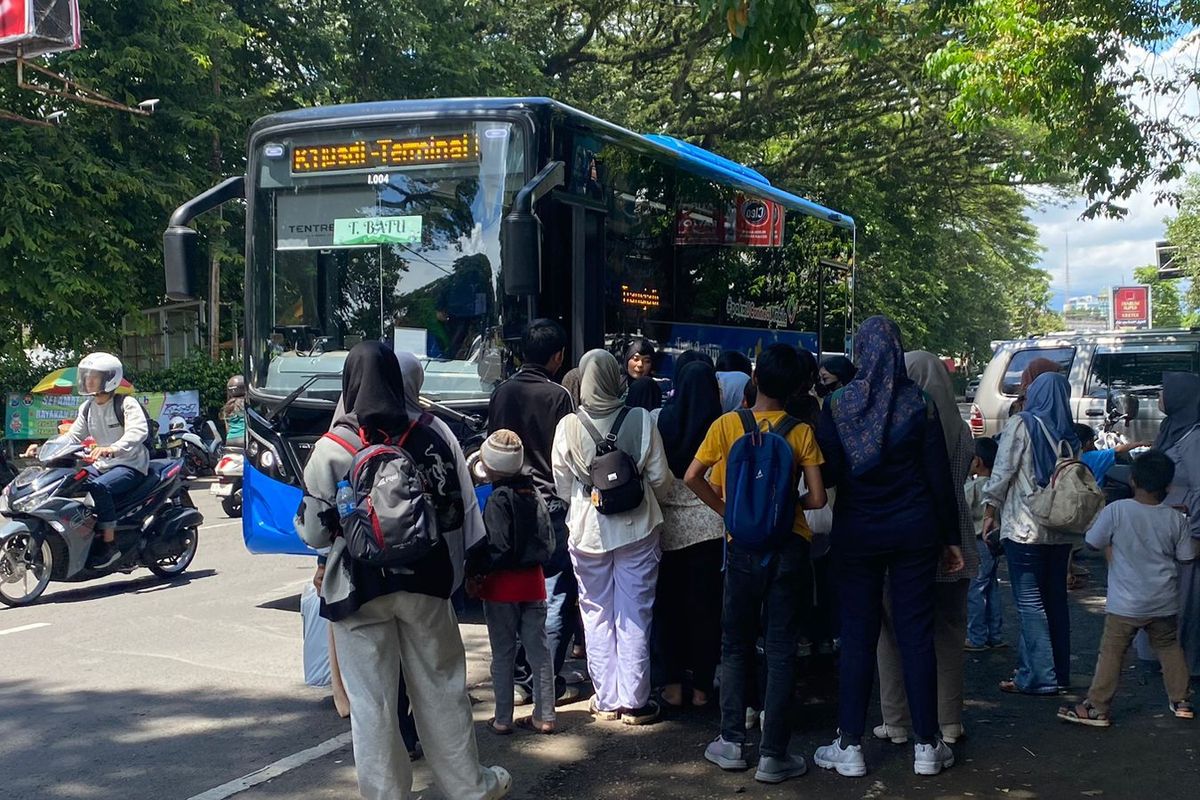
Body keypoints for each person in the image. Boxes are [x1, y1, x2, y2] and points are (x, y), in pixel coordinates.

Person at [295, 341, 509, 800]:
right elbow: (454, 514)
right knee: (441, 687)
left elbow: (313, 532)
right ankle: (468, 787)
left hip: (358, 589)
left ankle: (386, 793)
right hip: (426, 584)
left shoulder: (332, 448)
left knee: (371, 703)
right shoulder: (432, 434)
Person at [811, 317, 963, 779]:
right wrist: (951, 538)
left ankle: (850, 744)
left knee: (857, 634)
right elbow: (939, 477)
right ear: (896, 351)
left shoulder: (837, 404)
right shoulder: (919, 403)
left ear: (860, 354)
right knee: (916, 633)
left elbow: (831, 471)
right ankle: (926, 744)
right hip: (916, 531)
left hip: (857, 533)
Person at [687, 343, 827, 785]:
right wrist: (788, 509)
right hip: (789, 549)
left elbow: (692, 477)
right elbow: (819, 498)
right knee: (781, 649)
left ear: (755, 378)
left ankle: (730, 742)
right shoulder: (801, 431)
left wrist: (730, 512)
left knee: (735, 644)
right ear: (798, 387)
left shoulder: (727, 425)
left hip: (742, 548)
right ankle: (773, 755)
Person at [551, 349, 672, 725]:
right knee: (636, 610)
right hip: (637, 526)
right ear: (615, 378)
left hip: (588, 529)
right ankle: (635, 701)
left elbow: (561, 483)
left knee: (595, 610)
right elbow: (659, 479)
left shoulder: (568, 425)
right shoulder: (640, 418)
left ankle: (605, 698)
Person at [873, 351, 978, 747]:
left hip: (903, 538)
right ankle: (949, 720)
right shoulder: (963, 431)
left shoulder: (896, 426)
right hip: (959, 539)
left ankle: (896, 719)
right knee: (949, 634)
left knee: (893, 633)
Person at [1058, 449, 1195, 726]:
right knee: (1169, 647)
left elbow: (1093, 542)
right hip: (1164, 600)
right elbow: (1186, 557)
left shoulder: (1116, 511)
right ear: (1168, 486)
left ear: (1132, 480)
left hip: (1126, 602)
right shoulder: (1175, 519)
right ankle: (1181, 700)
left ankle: (1097, 707)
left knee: (1112, 651)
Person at [486, 319, 582, 706]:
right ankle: (545, 683)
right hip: (549, 505)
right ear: (557, 357)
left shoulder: (501, 392)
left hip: (504, 503)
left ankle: (517, 681)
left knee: (509, 590)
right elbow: (568, 456)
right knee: (553, 594)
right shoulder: (560, 397)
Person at [983, 372, 1080, 695]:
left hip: (1025, 527)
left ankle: (1039, 676)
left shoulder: (1022, 424)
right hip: (1060, 530)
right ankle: (1056, 672)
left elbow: (1002, 471)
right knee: (1055, 602)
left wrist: (989, 510)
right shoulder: (1070, 434)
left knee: (1029, 603)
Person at [467, 430, 558, 735]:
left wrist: (477, 573)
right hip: (533, 582)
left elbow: (497, 547)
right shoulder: (534, 494)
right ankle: (545, 716)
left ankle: (503, 718)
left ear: (489, 466)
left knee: (503, 653)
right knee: (539, 653)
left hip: (501, 587)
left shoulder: (497, 499)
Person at [650, 359, 725, 709]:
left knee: (668, 608)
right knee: (706, 611)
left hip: (667, 528)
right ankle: (702, 688)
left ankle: (672, 683)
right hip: (710, 525)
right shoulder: (723, 425)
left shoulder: (661, 419)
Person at [37, 353, 150, 569]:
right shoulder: (87, 407)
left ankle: (110, 545)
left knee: (99, 487)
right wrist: (46, 448)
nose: (88, 380)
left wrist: (113, 448)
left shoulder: (127, 403)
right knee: (69, 482)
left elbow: (138, 431)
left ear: (109, 379)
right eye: (87, 376)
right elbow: (72, 436)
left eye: (94, 377)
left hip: (130, 464)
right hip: (102, 465)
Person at [1144, 372, 1200, 676]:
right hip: (1167, 526)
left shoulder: (1194, 436)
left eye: (1163, 392)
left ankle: (1184, 665)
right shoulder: (1173, 429)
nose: (1158, 399)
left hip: (1185, 528)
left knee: (1185, 598)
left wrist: (1196, 533)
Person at [965, 437, 1006, 651]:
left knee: (975, 589)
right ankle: (995, 634)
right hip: (995, 541)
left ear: (977, 461)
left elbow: (961, 510)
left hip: (978, 541)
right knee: (991, 587)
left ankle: (976, 636)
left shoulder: (973, 487)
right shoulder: (998, 486)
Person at [1073, 423, 1150, 485]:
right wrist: (1139, 443)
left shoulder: (1067, 459)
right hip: (1094, 496)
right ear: (1088, 443)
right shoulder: (1096, 456)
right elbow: (1118, 450)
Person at [222, 375, 247, 448]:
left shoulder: (228, 406)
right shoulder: (248, 403)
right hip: (244, 438)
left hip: (230, 439)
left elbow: (227, 428)